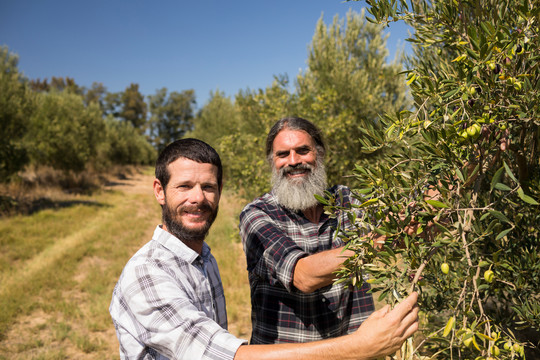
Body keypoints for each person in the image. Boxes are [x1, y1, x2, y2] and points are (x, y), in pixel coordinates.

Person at [110, 138, 419, 360]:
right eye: (184, 186)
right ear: (159, 191)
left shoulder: (202, 258)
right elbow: (223, 355)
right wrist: (358, 347)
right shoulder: (147, 274)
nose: (198, 198)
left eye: (208, 187)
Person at [239, 117, 379, 344]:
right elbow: (303, 275)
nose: (293, 161)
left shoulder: (347, 201)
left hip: (354, 352)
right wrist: (375, 242)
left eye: (303, 150)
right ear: (272, 161)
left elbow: (401, 219)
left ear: (320, 154)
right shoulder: (257, 214)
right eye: (282, 154)